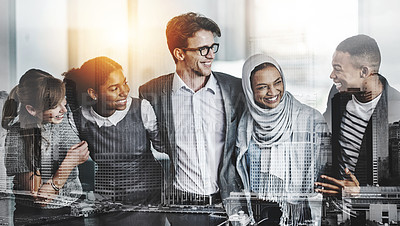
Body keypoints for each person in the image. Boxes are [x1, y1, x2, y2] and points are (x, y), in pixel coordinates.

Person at [139, 12, 245, 207]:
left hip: (229, 205)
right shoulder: (151, 93)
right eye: (203, 49)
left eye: (213, 47)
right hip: (181, 204)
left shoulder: (234, 88)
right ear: (179, 53)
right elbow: (158, 143)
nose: (211, 55)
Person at [316, 35, 400, 224]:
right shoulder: (338, 95)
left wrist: (361, 192)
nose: (332, 75)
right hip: (337, 213)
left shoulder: (396, 110)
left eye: (337, 69)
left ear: (364, 72)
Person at [236, 54, 329, 225]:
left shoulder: (310, 120)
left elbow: (321, 173)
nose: (273, 92)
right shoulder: (244, 124)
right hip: (257, 213)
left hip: (298, 213)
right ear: (250, 90)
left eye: (277, 82)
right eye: (263, 87)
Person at [63, 56, 163, 206]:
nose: (125, 91)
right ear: (93, 93)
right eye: (114, 88)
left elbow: (162, 146)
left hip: (150, 199)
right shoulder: (77, 119)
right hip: (108, 202)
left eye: (125, 83)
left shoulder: (141, 108)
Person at [3, 69, 89, 223]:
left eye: (63, 100)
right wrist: (69, 163)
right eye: (55, 106)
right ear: (32, 110)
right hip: (36, 218)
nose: (63, 109)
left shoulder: (64, 113)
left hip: (73, 212)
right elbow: (41, 199)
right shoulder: (18, 135)